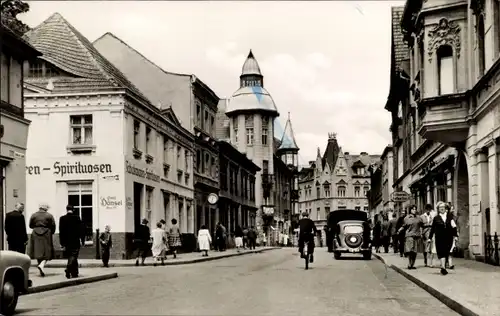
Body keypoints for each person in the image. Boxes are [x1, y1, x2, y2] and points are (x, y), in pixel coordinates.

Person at [429, 201, 458, 275]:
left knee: (446, 252)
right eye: (440, 207)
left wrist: (456, 236)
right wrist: (430, 238)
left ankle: (443, 266)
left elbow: (454, 227)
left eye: (443, 207)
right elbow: (432, 229)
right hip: (439, 237)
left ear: (445, 208)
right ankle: (443, 268)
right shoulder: (436, 218)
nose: (442, 209)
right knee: (441, 252)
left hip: (448, 237)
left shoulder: (450, 217)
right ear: (438, 209)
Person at [29, 203, 56, 277]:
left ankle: (41, 266)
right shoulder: (49, 215)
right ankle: (42, 265)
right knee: (47, 251)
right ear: (45, 208)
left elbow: (30, 225)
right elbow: (53, 225)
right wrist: (51, 232)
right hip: (46, 233)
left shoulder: (34, 215)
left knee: (37, 250)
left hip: (35, 233)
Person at [59, 205, 85, 279]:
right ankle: (68, 269)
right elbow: (81, 230)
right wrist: (82, 240)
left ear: (66, 209)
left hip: (67, 241)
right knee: (73, 255)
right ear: (73, 210)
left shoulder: (62, 218)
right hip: (75, 240)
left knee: (71, 255)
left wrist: (62, 243)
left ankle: (75, 273)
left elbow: (61, 231)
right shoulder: (77, 218)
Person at [399, 205, 423, 269]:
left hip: (417, 235)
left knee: (415, 251)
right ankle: (409, 264)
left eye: (415, 209)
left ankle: (412, 264)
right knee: (410, 250)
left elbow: (422, 225)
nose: (414, 210)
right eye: (413, 209)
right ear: (410, 210)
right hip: (409, 235)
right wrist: (399, 230)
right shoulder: (406, 218)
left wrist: (422, 233)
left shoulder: (419, 218)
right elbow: (404, 226)